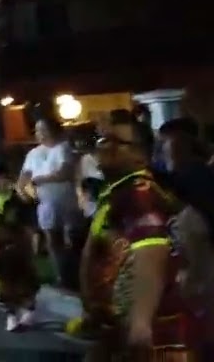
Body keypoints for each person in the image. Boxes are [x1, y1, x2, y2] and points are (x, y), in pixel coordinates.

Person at [82, 113, 199, 360]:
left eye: (116, 141)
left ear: (140, 156)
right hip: (118, 323)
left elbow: (151, 252)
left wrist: (140, 323)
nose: (105, 145)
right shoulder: (119, 191)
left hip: (153, 329)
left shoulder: (139, 192)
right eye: (103, 139)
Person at [0, 162, 39, 332]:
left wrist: (33, 244)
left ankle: (29, 309)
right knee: (5, 282)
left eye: (3, 178)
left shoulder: (19, 201)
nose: (0, 182)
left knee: (26, 278)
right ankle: (11, 314)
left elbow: (29, 225)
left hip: (19, 246)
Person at [19, 117, 76, 287]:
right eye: (37, 130)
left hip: (66, 201)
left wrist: (39, 179)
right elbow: (23, 177)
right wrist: (23, 191)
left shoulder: (64, 148)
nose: (40, 134)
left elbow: (64, 173)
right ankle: (61, 275)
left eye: (44, 130)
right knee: (52, 239)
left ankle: (73, 275)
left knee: (70, 239)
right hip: (45, 203)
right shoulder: (33, 153)